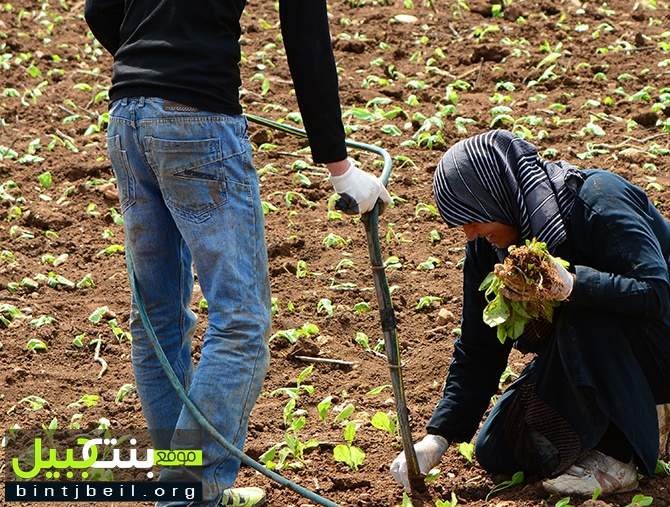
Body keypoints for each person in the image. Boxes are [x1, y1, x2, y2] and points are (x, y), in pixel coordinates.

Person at [84, 1, 391, 506]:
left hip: (127, 117)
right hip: (198, 121)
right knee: (241, 319)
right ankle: (190, 492)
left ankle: (180, 487)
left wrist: (154, 75)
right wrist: (340, 168)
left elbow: (99, 9)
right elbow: (305, 34)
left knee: (157, 316)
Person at [390, 129, 670, 497]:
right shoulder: (490, 251)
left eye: (472, 217)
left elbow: (656, 292)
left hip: (657, 342)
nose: (469, 233)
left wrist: (574, 285)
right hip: (592, 353)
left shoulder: (597, 200)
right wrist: (439, 436)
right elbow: (479, 346)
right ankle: (643, 414)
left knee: (579, 314)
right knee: (500, 447)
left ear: (496, 193)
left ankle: (622, 455)